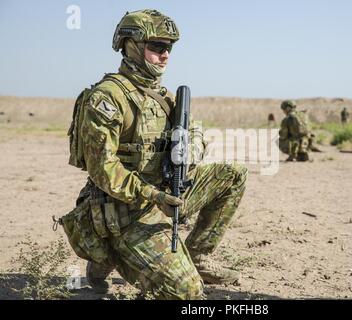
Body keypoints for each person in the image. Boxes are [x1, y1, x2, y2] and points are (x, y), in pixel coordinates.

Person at [61, 9, 247, 300]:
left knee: (233, 175)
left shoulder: (164, 95)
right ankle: (107, 252)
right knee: (187, 293)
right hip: (125, 210)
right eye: (157, 47)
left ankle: (197, 255)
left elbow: (192, 129)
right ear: (131, 45)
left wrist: (192, 149)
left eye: (169, 48)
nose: (165, 55)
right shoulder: (108, 98)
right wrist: (154, 197)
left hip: (165, 193)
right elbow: (103, 170)